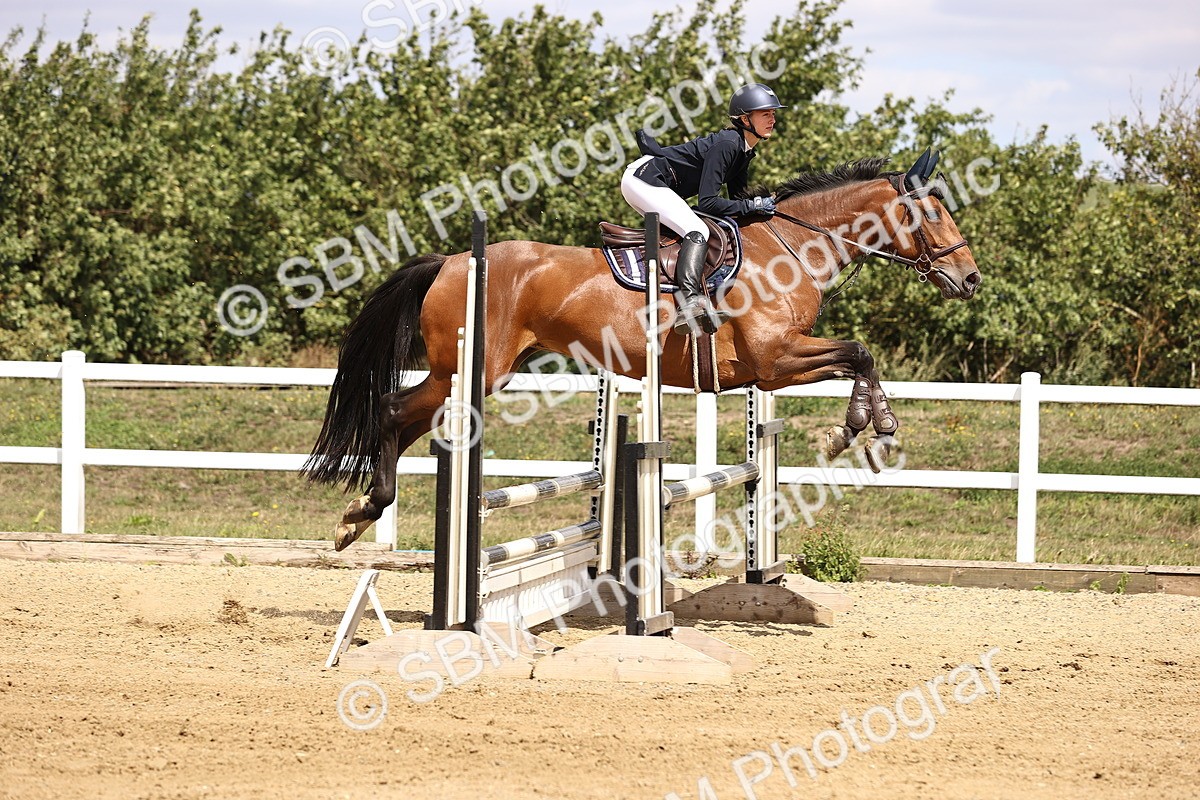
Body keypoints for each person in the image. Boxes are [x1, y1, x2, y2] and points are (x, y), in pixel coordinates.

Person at [621, 83, 784, 334]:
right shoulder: (728, 145)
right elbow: (708, 202)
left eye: (773, 113)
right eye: (765, 114)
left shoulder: (744, 151)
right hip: (644, 179)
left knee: (698, 227)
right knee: (697, 230)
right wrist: (751, 205)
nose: (772, 119)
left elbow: (737, 200)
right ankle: (689, 303)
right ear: (745, 119)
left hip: (651, 182)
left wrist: (760, 207)